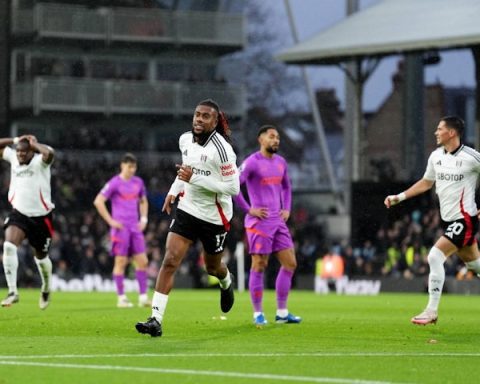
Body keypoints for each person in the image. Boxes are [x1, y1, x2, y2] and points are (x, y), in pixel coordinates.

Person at [135, 99, 239, 337]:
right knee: (170, 259)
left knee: (212, 267)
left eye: (205, 116)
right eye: (196, 115)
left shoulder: (222, 150)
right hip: (188, 207)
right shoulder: (185, 140)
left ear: (215, 121)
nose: (198, 119)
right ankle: (155, 319)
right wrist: (174, 190)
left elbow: (233, 188)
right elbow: (186, 171)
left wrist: (194, 179)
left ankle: (226, 281)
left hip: (215, 216)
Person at [385, 116, 480, 325]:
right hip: (448, 221)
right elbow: (426, 182)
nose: (436, 132)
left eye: (440, 129)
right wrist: (399, 197)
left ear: (452, 133)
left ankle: (431, 310)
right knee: (475, 266)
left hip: (465, 220)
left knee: (435, 256)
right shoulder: (436, 156)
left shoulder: (471, 157)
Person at [234, 125, 301, 327]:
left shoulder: (281, 163)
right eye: (272, 137)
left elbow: (287, 187)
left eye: (278, 137)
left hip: (278, 221)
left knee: (290, 263)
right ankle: (257, 313)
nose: (276, 140)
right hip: (259, 222)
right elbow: (234, 186)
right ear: (260, 139)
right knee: (259, 265)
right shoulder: (252, 163)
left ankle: (282, 312)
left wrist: (287, 208)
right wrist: (248, 209)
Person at [0, 135, 55, 309]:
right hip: (19, 214)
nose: (20, 155)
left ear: (32, 151)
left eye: (24, 152)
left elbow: (49, 154)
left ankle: (46, 288)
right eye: (18, 152)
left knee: (41, 259)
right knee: (8, 246)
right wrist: (15, 140)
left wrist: (35, 144)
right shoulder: (13, 158)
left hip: (41, 218)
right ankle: (12, 292)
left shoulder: (40, 162)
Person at [94, 153, 150, 308]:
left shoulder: (138, 182)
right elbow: (98, 201)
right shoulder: (114, 183)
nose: (132, 170)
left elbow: (143, 201)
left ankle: (143, 297)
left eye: (134, 167)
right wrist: (111, 221)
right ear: (122, 165)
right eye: (129, 166)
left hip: (135, 227)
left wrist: (144, 219)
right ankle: (121, 298)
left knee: (142, 261)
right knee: (121, 262)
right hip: (121, 228)